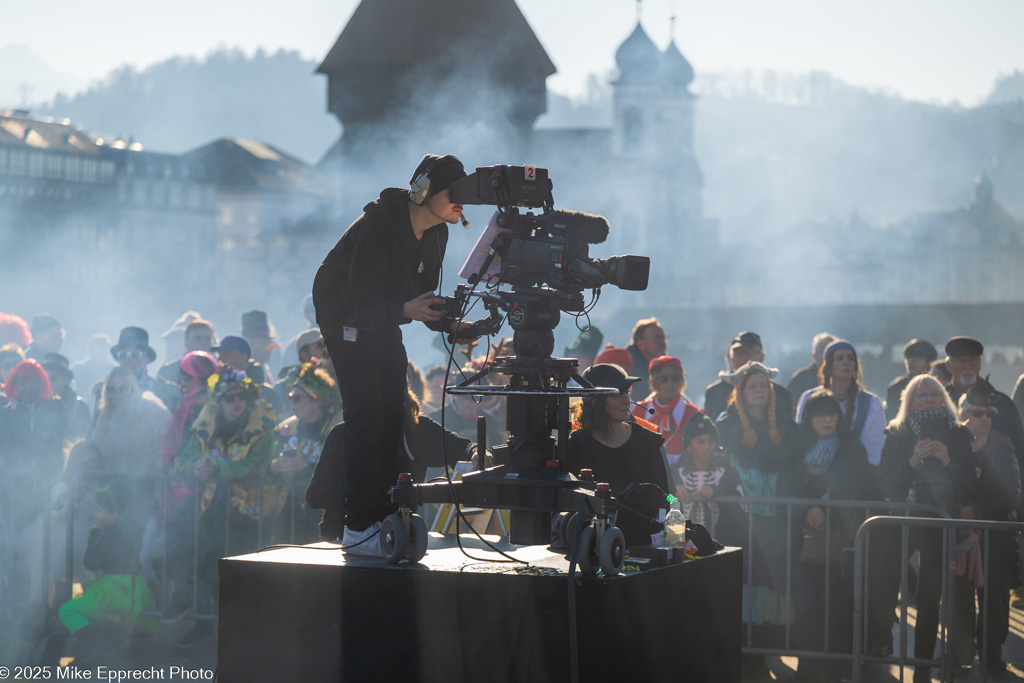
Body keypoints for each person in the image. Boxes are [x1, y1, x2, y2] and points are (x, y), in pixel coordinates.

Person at [312, 153, 474, 556]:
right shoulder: (377, 229)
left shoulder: (438, 232)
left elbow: (419, 302)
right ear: (424, 190)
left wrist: (454, 326)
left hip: (382, 322)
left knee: (394, 414)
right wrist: (402, 310)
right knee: (367, 417)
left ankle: (386, 514)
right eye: (454, 194)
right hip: (345, 323)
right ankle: (359, 526)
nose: (461, 203)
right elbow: (355, 305)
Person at [877, 374, 977, 683]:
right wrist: (913, 460)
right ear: (908, 401)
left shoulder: (958, 433)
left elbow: (970, 486)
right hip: (903, 520)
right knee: (881, 577)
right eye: (921, 395)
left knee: (929, 597)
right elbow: (884, 483)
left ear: (944, 398)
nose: (929, 399)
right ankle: (878, 643)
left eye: (934, 394)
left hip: (939, 522)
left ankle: (921, 666)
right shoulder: (897, 432)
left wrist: (947, 460)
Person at [171, 366, 277, 648]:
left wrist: (219, 468)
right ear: (218, 401)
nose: (236, 403)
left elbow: (256, 464)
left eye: (240, 396)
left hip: (249, 512)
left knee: (241, 571)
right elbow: (189, 454)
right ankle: (204, 621)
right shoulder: (206, 422)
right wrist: (198, 465)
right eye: (229, 398)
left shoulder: (262, 424)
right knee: (204, 562)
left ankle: (242, 634)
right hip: (212, 509)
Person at [780, 390, 876, 683]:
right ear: (808, 418)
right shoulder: (795, 447)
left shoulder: (851, 447)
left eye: (832, 414)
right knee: (806, 604)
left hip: (841, 540)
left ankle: (837, 668)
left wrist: (826, 512)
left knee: (838, 603)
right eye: (820, 414)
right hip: (801, 539)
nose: (826, 420)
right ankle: (807, 667)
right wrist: (807, 512)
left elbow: (858, 487)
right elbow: (785, 486)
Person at [306, 387, 485, 541]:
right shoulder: (341, 435)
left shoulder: (418, 429)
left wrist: (477, 453)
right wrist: (364, 491)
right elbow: (315, 495)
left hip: (399, 537)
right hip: (340, 537)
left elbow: (460, 447)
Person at [712, 361, 797, 676]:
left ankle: (768, 650)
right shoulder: (727, 422)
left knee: (771, 581)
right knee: (744, 580)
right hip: (740, 521)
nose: (759, 390)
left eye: (763, 385)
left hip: (774, 521)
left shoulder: (785, 425)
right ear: (741, 392)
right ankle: (744, 654)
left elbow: (794, 460)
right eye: (752, 386)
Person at [565, 363, 670, 547]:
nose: (626, 400)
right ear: (595, 401)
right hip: (594, 548)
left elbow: (668, 496)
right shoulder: (576, 445)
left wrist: (672, 514)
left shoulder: (647, 442)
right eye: (617, 394)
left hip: (645, 547)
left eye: (627, 393)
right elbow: (568, 505)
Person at [957, 386, 1021, 679]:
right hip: (957, 535)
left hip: (995, 537)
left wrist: (976, 511)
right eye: (976, 413)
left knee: (994, 604)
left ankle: (992, 658)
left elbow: (1011, 494)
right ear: (962, 413)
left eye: (987, 414)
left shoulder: (1001, 445)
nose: (983, 419)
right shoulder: (953, 445)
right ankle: (960, 655)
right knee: (959, 601)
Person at [57, 483, 158, 653]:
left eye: (99, 510)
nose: (94, 514)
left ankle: (97, 641)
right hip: (135, 591)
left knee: (67, 611)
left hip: (115, 592)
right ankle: (109, 640)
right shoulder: (129, 530)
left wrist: (95, 531)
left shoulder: (110, 534)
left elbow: (91, 563)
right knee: (107, 619)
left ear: (114, 513)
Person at [268, 360, 343, 543]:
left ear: (316, 400)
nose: (291, 402)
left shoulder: (336, 431)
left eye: (297, 398)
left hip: (321, 516)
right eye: (291, 396)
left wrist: (305, 469)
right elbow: (264, 461)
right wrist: (274, 466)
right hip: (286, 515)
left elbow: (340, 474)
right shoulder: (287, 427)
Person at [796, 339, 886, 467]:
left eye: (850, 358)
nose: (846, 363)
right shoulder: (809, 398)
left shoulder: (871, 403)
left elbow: (873, 451)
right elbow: (801, 440)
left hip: (855, 474)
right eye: (840, 358)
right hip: (813, 471)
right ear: (829, 365)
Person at [944, 336, 1024, 468]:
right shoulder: (940, 402)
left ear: (980, 364)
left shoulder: (1002, 404)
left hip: (996, 481)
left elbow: (1019, 450)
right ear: (948, 365)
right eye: (960, 361)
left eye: (972, 361)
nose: (967, 367)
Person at [91, 366, 170, 478]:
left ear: (133, 388)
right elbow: (94, 449)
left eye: (123, 388)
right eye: (111, 389)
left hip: (149, 483)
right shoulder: (105, 418)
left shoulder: (152, 411)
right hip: (113, 486)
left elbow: (167, 445)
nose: (117, 393)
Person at [705, 331, 793, 423]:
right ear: (731, 358)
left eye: (748, 352)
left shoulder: (781, 395)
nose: (743, 358)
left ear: (762, 357)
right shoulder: (715, 393)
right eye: (737, 353)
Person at [632, 355, 701, 469]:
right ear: (654, 382)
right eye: (663, 378)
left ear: (681, 381)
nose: (670, 383)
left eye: (675, 378)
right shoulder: (639, 410)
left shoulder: (695, 414)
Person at [673, 412, 734, 531]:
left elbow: (738, 496)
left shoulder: (727, 471)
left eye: (711, 441)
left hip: (720, 536)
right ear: (688, 446)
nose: (708, 447)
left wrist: (717, 491)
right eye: (701, 442)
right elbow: (665, 497)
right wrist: (674, 493)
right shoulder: (675, 473)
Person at [105, 327, 180, 412]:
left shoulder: (162, 390)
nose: (128, 360)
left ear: (147, 358)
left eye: (135, 354)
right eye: (123, 355)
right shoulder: (106, 391)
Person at [885, 339, 938, 421]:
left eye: (917, 358)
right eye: (908, 358)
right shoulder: (895, 388)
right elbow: (891, 418)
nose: (911, 361)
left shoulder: (937, 386)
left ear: (930, 361)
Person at [41, 353, 91, 439]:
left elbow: (84, 436)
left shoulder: (80, 407)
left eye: (51, 377)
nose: (47, 382)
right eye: (43, 377)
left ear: (65, 379)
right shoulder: (34, 404)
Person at [157, 319, 215, 386]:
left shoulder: (219, 371)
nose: (203, 342)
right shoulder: (168, 372)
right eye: (197, 338)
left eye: (207, 338)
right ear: (186, 342)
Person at [786, 332, 835, 411]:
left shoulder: (843, 377)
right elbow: (788, 407)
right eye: (821, 352)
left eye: (828, 351)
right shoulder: (801, 378)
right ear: (814, 356)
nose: (824, 356)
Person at [624, 318, 667, 401]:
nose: (663, 342)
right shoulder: (627, 368)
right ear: (640, 344)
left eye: (663, 338)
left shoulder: (666, 366)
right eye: (657, 338)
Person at [71, 334, 114, 413]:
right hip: (80, 413)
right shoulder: (77, 370)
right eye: (97, 356)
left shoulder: (113, 372)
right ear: (89, 350)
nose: (99, 359)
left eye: (104, 347)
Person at [242, 310, 281, 385]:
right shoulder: (243, 374)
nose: (269, 346)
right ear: (249, 342)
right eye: (263, 340)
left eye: (269, 341)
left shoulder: (265, 370)